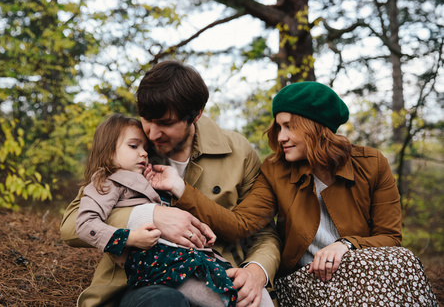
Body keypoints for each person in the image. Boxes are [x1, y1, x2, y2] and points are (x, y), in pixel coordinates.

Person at [146, 81, 439, 306]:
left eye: (289, 126)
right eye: (279, 126)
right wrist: (181, 189)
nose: (281, 136)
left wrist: (345, 245)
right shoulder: (276, 170)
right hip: (305, 281)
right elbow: (240, 226)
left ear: (316, 127)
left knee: (401, 260)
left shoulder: (372, 163)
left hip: (363, 273)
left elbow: (390, 237)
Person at [60, 60, 281, 307]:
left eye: (165, 123)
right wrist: (150, 216)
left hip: (214, 277)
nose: (152, 134)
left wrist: (256, 271)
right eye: (146, 119)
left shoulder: (238, 152)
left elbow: (262, 231)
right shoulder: (129, 148)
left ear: (195, 115)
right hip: (139, 285)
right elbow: (72, 224)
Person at [75, 113, 254, 307]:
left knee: (239, 289)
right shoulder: (106, 181)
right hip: (158, 266)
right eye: (134, 146)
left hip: (182, 258)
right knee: (225, 297)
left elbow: (172, 214)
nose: (143, 153)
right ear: (108, 151)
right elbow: (85, 224)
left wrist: (199, 227)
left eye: (145, 148)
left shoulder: (147, 179)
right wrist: (131, 238)